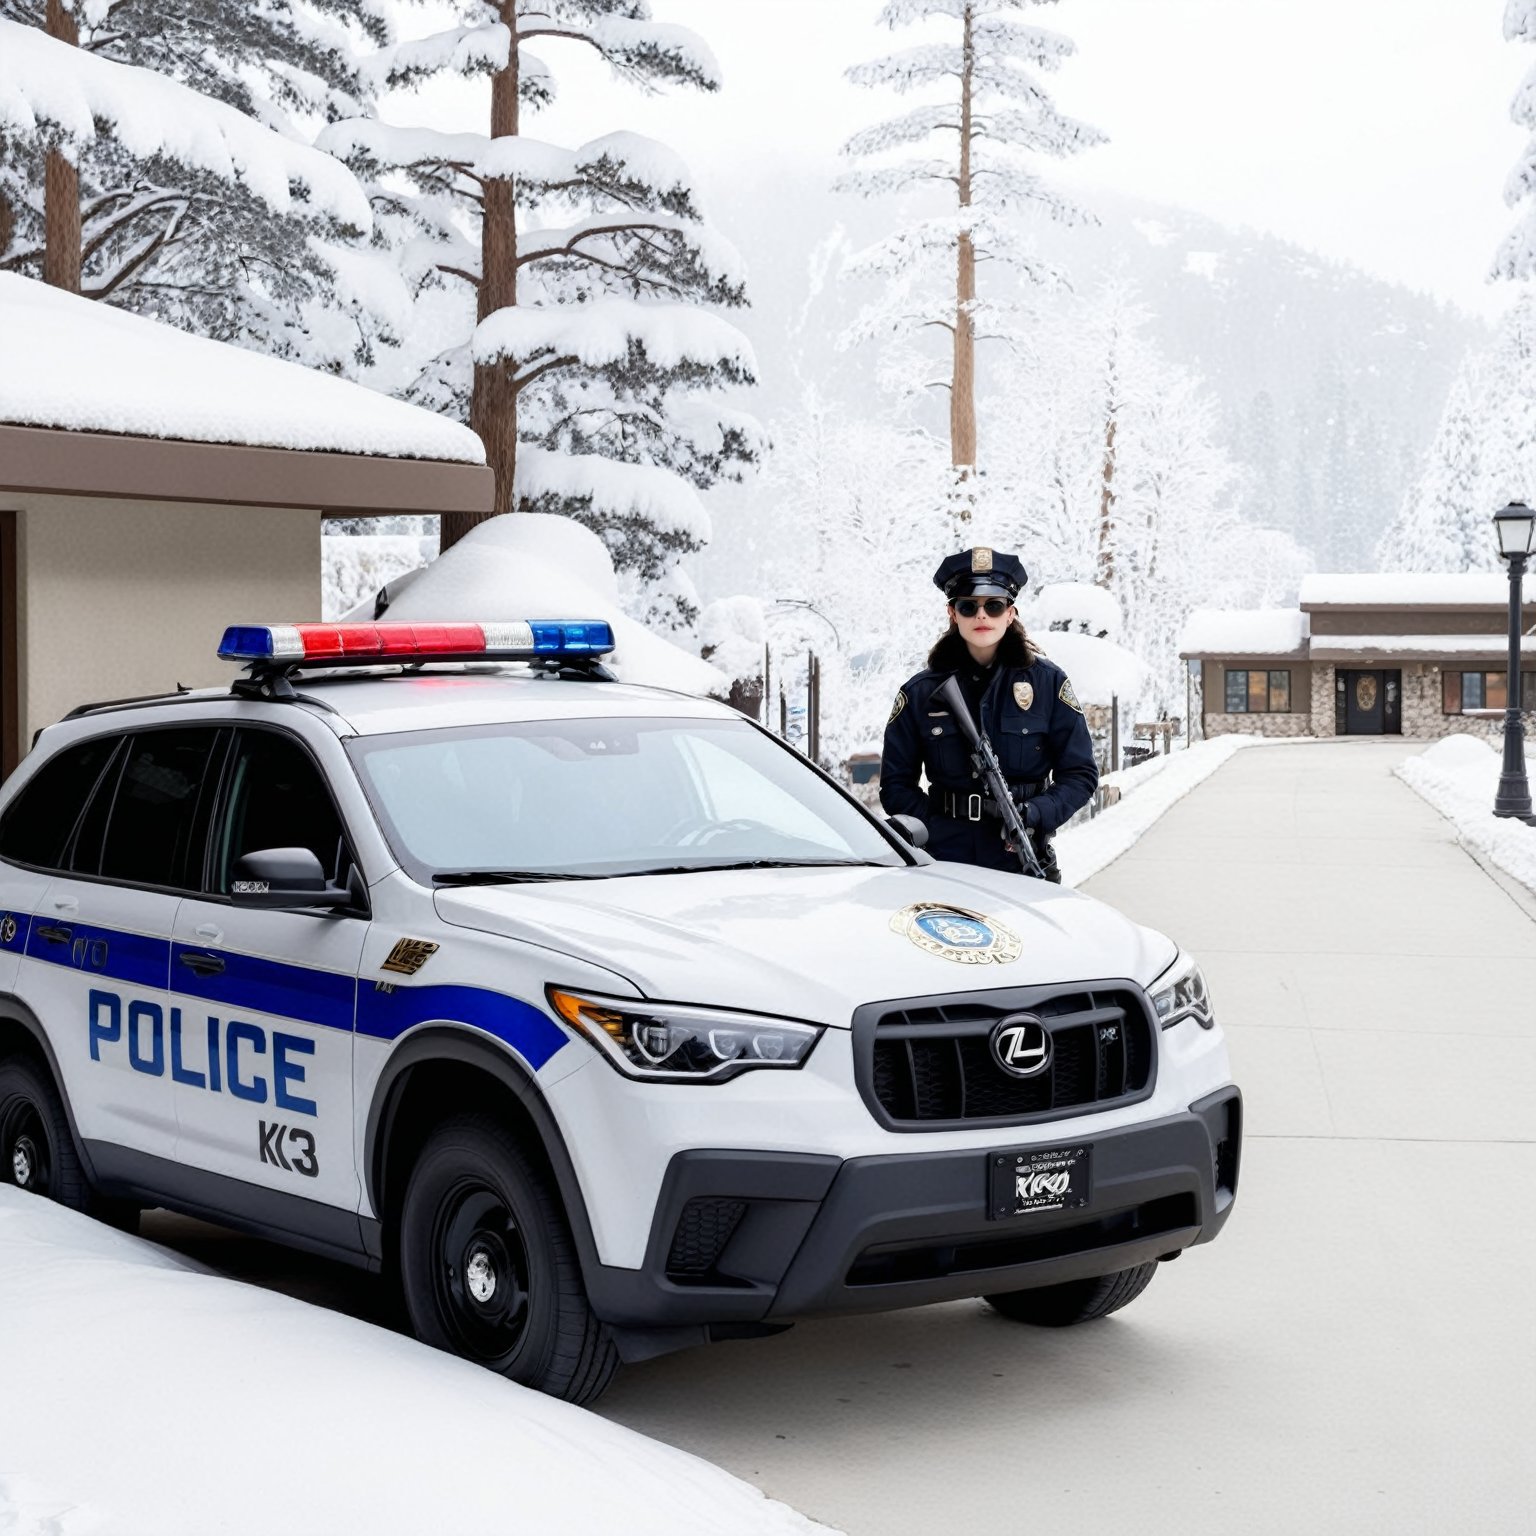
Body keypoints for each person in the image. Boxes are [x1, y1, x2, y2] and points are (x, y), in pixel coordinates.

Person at [879, 546, 1098, 882]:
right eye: (969, 606)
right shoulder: (919, 694)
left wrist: (1034, 815)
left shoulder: (1048, 684)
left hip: (1023, 858)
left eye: (994, 606)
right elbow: (895, 786)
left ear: (1010, 614)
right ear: (953, 613)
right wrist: (939, 831)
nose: (982, 616)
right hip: (945, 863)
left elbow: (1080, 773)